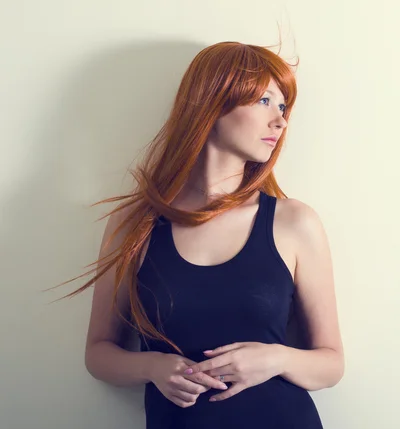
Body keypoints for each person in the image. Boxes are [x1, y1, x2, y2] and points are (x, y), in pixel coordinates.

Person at [60, 41, 344, 428]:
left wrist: (275, 358)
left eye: (283, 107)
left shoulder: (295, 222)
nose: (280, 121)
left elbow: (330, 364)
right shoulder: (135, 223)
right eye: (264, 100)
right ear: (212, 101)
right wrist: (153, 367)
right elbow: (99, 354)